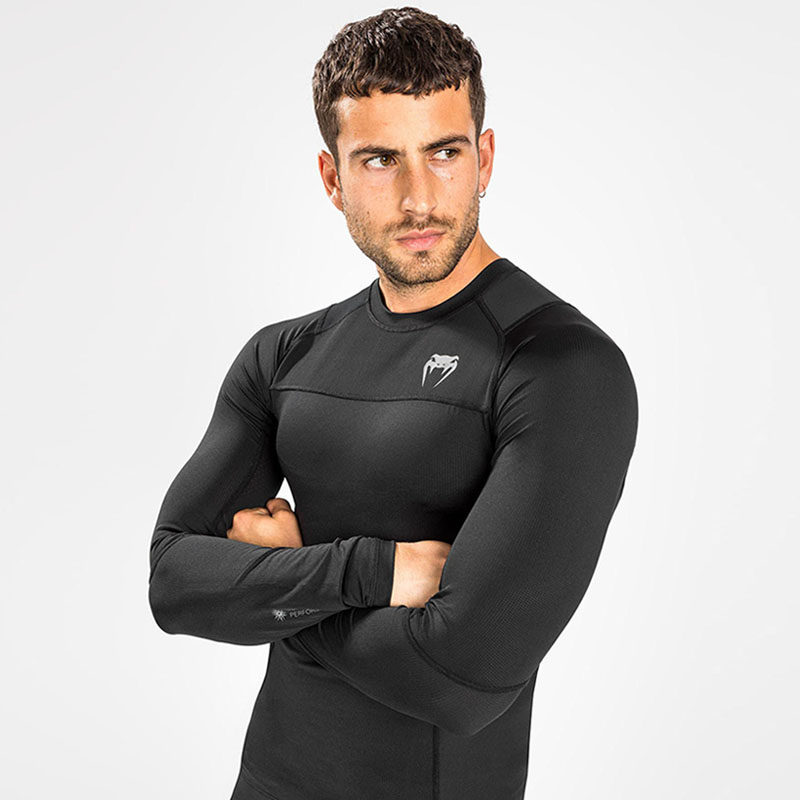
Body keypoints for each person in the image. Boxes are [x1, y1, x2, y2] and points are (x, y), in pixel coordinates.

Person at [148, 7, 638, 799]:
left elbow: (460, 678)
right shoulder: (285, 355)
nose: (418, 198)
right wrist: (376, 570)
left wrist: (279, 576)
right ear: (332, 178)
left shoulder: (561, 367)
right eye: (380, 160)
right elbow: (174, 585)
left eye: (444, 152)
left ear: (484, 158)